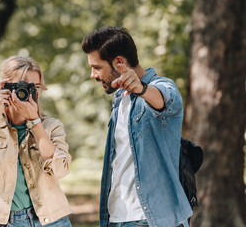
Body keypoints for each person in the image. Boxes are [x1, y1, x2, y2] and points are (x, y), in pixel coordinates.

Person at [81, 27, 192, 227]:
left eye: (97, 67)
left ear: (119, 62)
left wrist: (142, 89)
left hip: (149, 219)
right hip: (116, 218)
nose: (93, 75)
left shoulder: (162, 86)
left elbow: (163, 99)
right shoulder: (119, 100)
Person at [0, 56, 72, 227]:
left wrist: (35, 122)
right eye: (23, 86)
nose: (30, 93)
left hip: (52, 219)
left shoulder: (51, 127)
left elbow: (61, 170)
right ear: (5, 87)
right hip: (8, 221)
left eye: (35, 87)